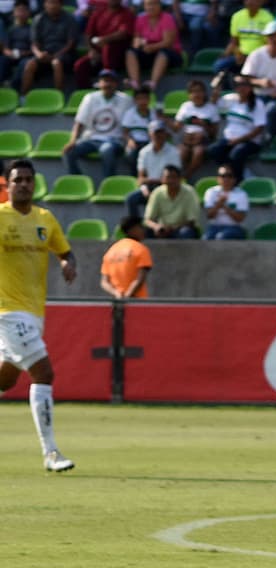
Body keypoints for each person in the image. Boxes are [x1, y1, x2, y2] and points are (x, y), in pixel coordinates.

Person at [0, 159, 77, 473]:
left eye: (29, 179)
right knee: (43, 374)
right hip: (6, 310)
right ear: (7, 184)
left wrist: (67, 262)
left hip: (34, 312)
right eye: (18, 180)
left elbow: (64, 250)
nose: (24, 184)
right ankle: (51, 452)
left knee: (6, 378)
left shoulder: (45, 219)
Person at [63, 70, 129, 181]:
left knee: (106, 150)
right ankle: (79, 182)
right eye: (104, 81)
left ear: (116, 84)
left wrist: (128, 141)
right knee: (69, 152)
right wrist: (73, 140)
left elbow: (129, 124)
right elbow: (79, 122)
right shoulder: (90, 98)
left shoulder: (126, 99)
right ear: (99, 83)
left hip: (114, 140)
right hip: (91, 139)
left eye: (111, 81)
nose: (107, 84)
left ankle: (109, 183)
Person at [241, 19, 276, 138]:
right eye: (271, 36)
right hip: (256, 96)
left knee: (272, 110)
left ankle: (271, 140)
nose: (274, 39)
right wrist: (260, 82)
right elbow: (246, 79)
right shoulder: (256, 54)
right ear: (266, 38)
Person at [208, 75, 268, 182]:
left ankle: (237, 180)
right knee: (213, 150)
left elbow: (259, 128)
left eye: (244, 85)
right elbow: (214, 102)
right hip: (229, 139)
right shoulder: (231, 99)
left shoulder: (258, 104)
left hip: (250, 141)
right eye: (238, 85)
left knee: (237, 153)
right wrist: (217, 86)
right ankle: (236, 172)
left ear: (250, 87)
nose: (241, 88)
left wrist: (239, 140)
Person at [211, 0, 274, 91]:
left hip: (259, 56)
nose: (250, 2)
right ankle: (227, 91)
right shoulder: (237, 16)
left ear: (261, 2)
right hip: (240, 55)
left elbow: (269, 43)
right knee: (219, 65)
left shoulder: (268, 18)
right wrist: (235, 53)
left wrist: (252, 56)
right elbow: (234, 42)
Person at [126, 119, 182, 220]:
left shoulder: (173, 152)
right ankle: (136, 228)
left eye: (162, 132)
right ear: (150, 134)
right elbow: (141, 178)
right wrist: (144, 189)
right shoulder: (144, 152)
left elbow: (173, 178)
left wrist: (153, 182)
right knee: (131, 199)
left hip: (167, 188)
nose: (159, 136)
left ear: (166, 134)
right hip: (149, 188)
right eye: (156, 133)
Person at [73, 0, 133, 89]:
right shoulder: (98, 12)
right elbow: (88, 34)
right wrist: (91, 50)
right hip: (98, 53)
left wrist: (105, 39)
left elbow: (123, 33)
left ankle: (107, 82)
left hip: (118, 56)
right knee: (80, 65)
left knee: (108, 47)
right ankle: (86, 91)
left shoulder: (127, 13)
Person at [125, 0, 182, 93]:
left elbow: (168, 42)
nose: (151, 7)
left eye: (154, 4)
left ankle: (152, 83)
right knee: (130, 52)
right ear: (144, 6)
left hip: (171, 55)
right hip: (148, 52)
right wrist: (140, 44)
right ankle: (135, 82)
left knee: (163, 52)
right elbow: (136, 41)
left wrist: (152, 47)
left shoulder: (167, 18)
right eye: (148, 4)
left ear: (160, 5)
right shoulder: (140, 19)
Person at [21, 0, 75, 94]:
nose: (52, 6)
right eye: (49, 3)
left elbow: (70, 43)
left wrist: (55, 55)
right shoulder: (38, 18)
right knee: (30, 64)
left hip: (62, 53)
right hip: (44, 53)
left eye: (55, 2)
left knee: (56, 63)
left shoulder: (69, 19)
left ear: (61, 4)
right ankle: (24, 96)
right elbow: (34, 42)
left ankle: (59, 95)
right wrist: (39, 54)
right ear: (45, 4)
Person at [172, 78, 220, 180]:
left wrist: (204, 125)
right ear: (189, 94)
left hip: (203, 141)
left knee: (198, 152)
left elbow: (214, 133)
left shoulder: (211, 108)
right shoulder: (185, 106)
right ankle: (178, 176)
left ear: (204, 93)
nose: (196, 94)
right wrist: (165, 120)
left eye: (199, 91)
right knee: (181, 153)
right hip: (186, 139)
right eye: (193, 91)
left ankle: (186, 176)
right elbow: (176, 128)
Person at [143, 164, 202, 239]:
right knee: (146, 232)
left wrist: (172, 228)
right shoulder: (157, 192)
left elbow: (192, 221)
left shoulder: (190, 192)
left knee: (186, 232)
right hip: (163, 229)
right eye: (168, 177)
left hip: (182, 228)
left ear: (180, 179)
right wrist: (156, 227)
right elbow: (147, 220)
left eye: (174, 177)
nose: (170, 181)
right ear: (162, 179)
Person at [100, 215, 152, 299]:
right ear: (132, 230)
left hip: (116, 301)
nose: (144, 230)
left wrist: (116, 294)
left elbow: (104, 282)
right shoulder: (141, 249)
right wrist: (127, 296)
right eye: (140, 227)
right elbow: (140, 279)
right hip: (137, 301)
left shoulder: (111, 250)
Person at [202, 166, 250, 239]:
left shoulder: (241, 194)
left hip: (235, 228)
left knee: (221, 237)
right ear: (218, 178)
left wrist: (224, 206)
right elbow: (209, 216)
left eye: (229, 176)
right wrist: (218, 205)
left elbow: (240, 218)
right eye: (223, 176)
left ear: (234, 179)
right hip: (214, 227)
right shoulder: (211, 192)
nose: (226, 179)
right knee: (206, 238)